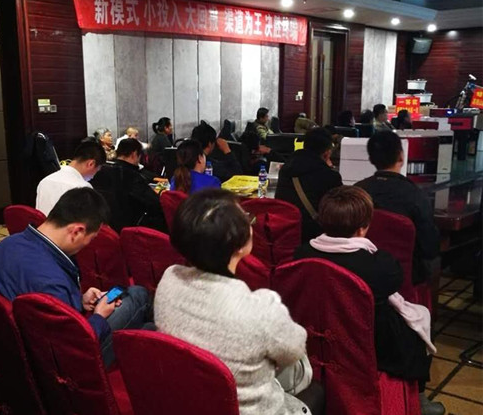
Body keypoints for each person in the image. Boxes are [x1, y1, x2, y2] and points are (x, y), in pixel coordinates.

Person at [155, 189, 324, 415]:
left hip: (192, 400)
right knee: (315, 389)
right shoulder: (262, 308)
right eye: (245, 218)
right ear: (240, 244)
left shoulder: (168, 279)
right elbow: (294, 350)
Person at [294, 186, 444, 415]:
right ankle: (419, 398)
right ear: (363, 227)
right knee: (418, 324)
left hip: (316, 335)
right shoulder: (380, 266)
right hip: (370, 343)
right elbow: (394, 286)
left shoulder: (301, 254)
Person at [0, 187, 152, 366]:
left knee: (145, 327)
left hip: (4, 348)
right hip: (51, 362)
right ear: (76, 231)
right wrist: (99, 316)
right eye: (91, 239)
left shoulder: (5, 245)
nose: (87, 245)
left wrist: (78, 300)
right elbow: (72, 347)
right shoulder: (53, 281)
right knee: (138, 295)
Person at [355, 131, 439, 285]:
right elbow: (430, 248)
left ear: (371, 159)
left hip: (361, 274)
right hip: (404, 279)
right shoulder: (416, 195)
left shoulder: (356, 192)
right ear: (401, 156)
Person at [275, 128, 342, 241]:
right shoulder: (330, 177)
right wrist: (329, 168)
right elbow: (338, 212)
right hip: (315, 236)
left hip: (285, 232)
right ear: (326, 153)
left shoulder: (286, 169)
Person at [91, 138, 166, 232]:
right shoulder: (131, 175)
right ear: (134, 154)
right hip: (131, 228)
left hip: (106, 225)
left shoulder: (102, 170)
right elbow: (155, 202)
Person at [36, 140, 106, 216]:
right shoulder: (83, 188)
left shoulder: (45, 181)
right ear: (91, 164)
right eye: (97, 170)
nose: (93, 176)